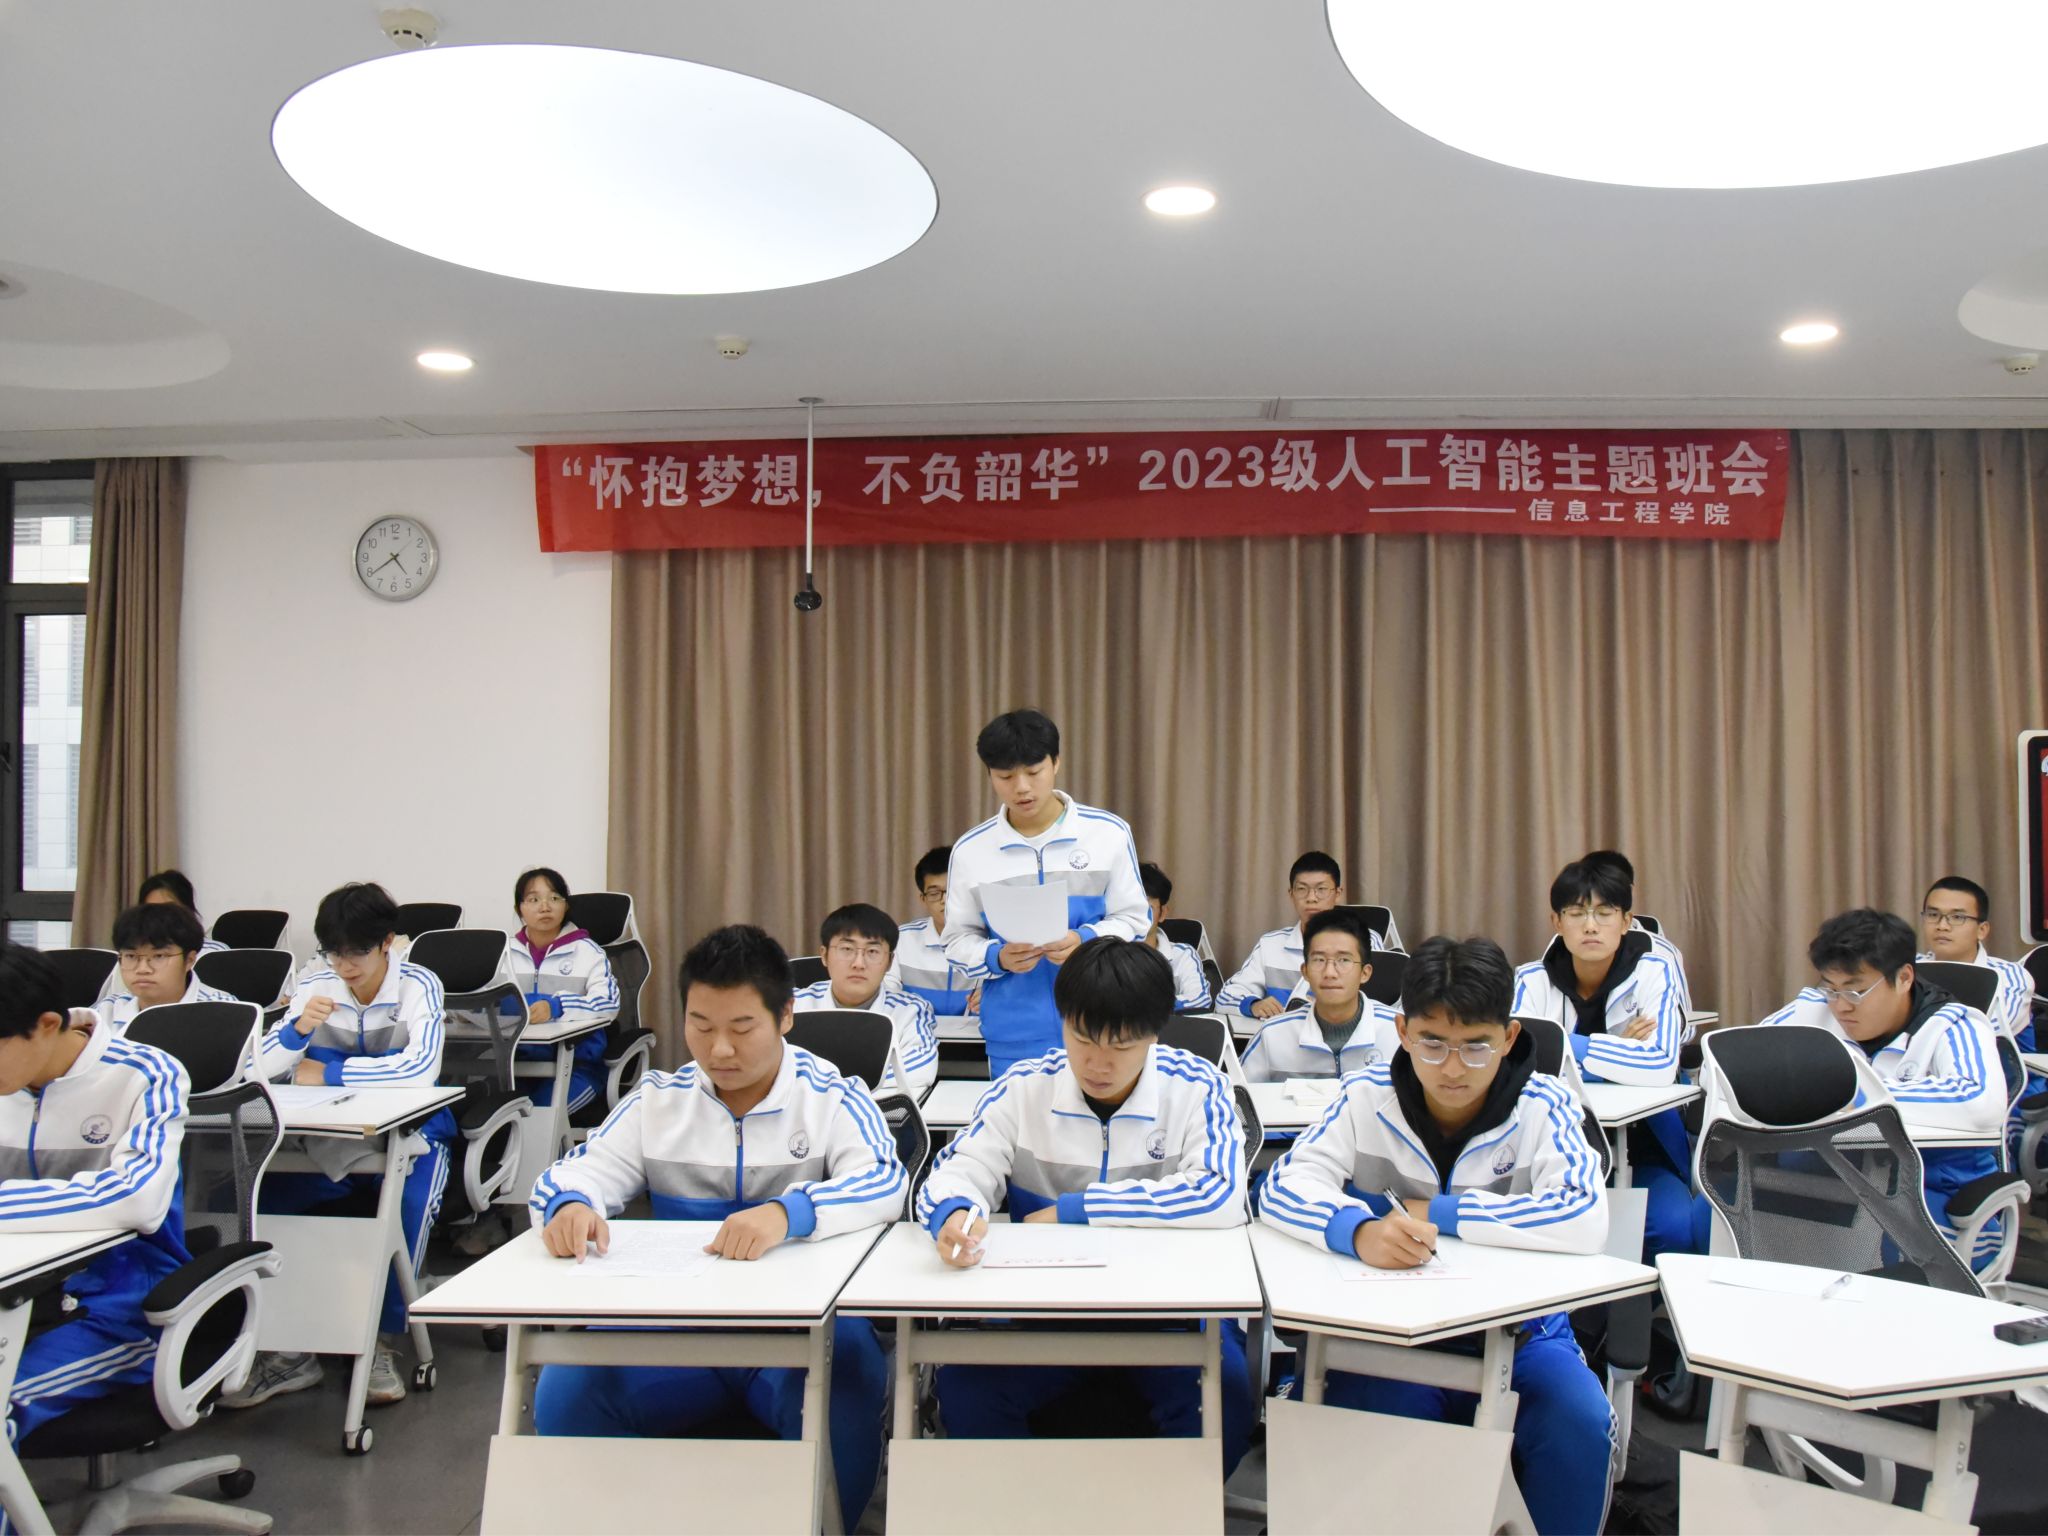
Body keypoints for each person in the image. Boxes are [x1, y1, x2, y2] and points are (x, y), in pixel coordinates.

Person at [529, 925, 904, 1528]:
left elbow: (885, 1180)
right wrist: (571, 1204)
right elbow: (573, 1172)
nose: (720, 1050)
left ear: (786, 1016)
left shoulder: (831, 1095)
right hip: (674, 1326)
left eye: (742, 1028)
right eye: (701, 1027)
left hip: (801, 1334)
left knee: (851, 1376)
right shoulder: (659, 1100)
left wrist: (788, 1214)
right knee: (567, 1388)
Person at [1258, 936, 1613, 1536]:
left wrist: (1440, 1211)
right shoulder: (1365, 1097)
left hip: (1524, 1337)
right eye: (1432, 1043)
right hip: (1392, 1337)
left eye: (1476, 1045)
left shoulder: (1544, 1104)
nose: (1452, 1068)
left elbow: (1583, 1215)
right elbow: (1281, 1188)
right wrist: (1356, 1229)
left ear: (1509, 1037)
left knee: (1578, 1423)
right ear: (1401, 1031)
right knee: (1379, 1430)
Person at [914, 938, 1251, 1471]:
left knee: (1225, 1393)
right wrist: (955, 1212)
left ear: (1155, 1033)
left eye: (1121, 1046)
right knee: (967, 1388)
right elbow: (958, 1169)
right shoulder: (1023, 1088)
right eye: (1082, 1038)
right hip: (1037, 1314)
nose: (1097, 1063)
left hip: (1169, 1314)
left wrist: (1080, 1210)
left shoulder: (1196, 1088)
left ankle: (1164, 1509)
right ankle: (1026, 1507)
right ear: (1063, 1020)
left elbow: (1221, 1193)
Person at [226, 882, 450, 1410]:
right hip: (328, 1137)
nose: (345, 965)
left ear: (387, 942)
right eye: (334, 952)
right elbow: (257, 1070)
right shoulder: (316, 982)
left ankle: (380, 1342)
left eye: (357, 952)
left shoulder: (419, 984)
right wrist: (296, 1033)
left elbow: (420, 1070)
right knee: (268, 1204)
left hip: (411, 1134)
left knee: (406, 1206)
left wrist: (328, 1071)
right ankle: (288, 1351)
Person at [0, 943, 191, 1444]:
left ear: (46, 1025)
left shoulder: (146, 1074)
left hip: (118, 1304)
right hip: (13, 1294)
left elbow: (136, 1199)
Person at [1756, 908, 2006, 1271]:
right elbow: (1737, 1064)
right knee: (1720, 1209)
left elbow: (1979, 1101)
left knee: (1883, 1248)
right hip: (1835, 1184)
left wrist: (1847, 1093)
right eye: (1831, 988)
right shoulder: (1814, 1008)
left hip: (1928, 1195)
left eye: (1856, 991)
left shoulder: (1954, 1025)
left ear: (1903, 978)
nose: (1841, 1006)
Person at [943, 709, 1149, 1078]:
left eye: (1034, 772)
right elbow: (957, 940)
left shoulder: (1107, 834)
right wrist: (996, 957)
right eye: (1006, 777)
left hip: (1104, 1025)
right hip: (1016, 1031)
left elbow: (1134, 920)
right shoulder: (972, 851)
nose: (1021, 788)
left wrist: (1086, 940)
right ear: (989, 774)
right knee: (1020, 1117)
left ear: (1056, 763)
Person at [1512, 854, 1697, 1259]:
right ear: (1557, 922)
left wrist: (1566, 1045)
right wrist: (1619, 1050)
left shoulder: (1654, 971)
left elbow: (1660, 1065)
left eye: (1604, 913)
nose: (1591, 925)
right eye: (1576, 913)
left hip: (1644, 1141)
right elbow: (1520, 1066)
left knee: (1674, 1229)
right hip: (1554, 1144)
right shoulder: (1531, 980)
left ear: (1626, 921)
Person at [500, 867, 620, 1115]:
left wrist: (557, 1007)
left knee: (535, 1118)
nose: (545, 906)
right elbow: (484, 1001)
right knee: (491, 1118)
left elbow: (608, 1003)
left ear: (566, 906)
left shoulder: (588, 953)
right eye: (534, 899)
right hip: (515, 1068)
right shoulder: (503, 954)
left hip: (577, 1068)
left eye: (554, 898)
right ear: (519, 909)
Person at [1216, 852, 1388, 1020]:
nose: (1311, 898)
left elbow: (1383, 1001)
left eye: (1321, 889)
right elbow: (1226, 997)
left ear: (1337, 893)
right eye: (1302, 889)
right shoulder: (1271, 944)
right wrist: (1253, 1005)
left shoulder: (1364, 940)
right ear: (1291, 894)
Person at [792, 903, 938, 1099]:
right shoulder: (793, 1005)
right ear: (824, 955)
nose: (858, 963)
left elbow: (922, 1068)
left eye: (872, 952)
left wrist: (826, 1086)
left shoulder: (910, 1010)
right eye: (846, 949)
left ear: (890, 962)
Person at [1241, 907, 1398, 1082]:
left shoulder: (1397, 1031)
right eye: (1319, 960)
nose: (1330, 972)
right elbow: (1238, 1095)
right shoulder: (1272, 1034)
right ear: (1305, 971)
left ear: (1365, 973)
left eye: (1343, 960)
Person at [1917, 876, 2036, 1051]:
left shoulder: (2010, 976)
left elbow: (1987, 1032)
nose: (1942, 926)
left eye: (1957, 917)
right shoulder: (1905, 970)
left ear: (1982, 930)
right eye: (1933, 915)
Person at [92, 901, 238, 1033]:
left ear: (189, 960)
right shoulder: (107, 1011)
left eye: (159, 956)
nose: (143, 969)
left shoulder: (225, 1011)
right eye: (131, 956)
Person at [886, 846, 978, 1017]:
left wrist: (995, 997)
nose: (945, 900)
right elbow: (886, 993)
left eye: (952, 891)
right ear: (923, 899)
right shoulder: (902, 939)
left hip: (978, 1033)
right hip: (915, 1031)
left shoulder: (990, 941)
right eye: (935, 893)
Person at [1138, 861, 1212, 1013]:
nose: (1136, 915)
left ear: (1162, 913)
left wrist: (1149, 1008)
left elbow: (1201, 999)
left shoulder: (1182, 955)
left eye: (1147, 908)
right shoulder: (1104, 953)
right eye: (1130, 907)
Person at [138, 869, 228, 955]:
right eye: (152, 909)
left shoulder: (213, 953)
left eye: (169, 908)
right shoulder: (133, 953)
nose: (161, 916)